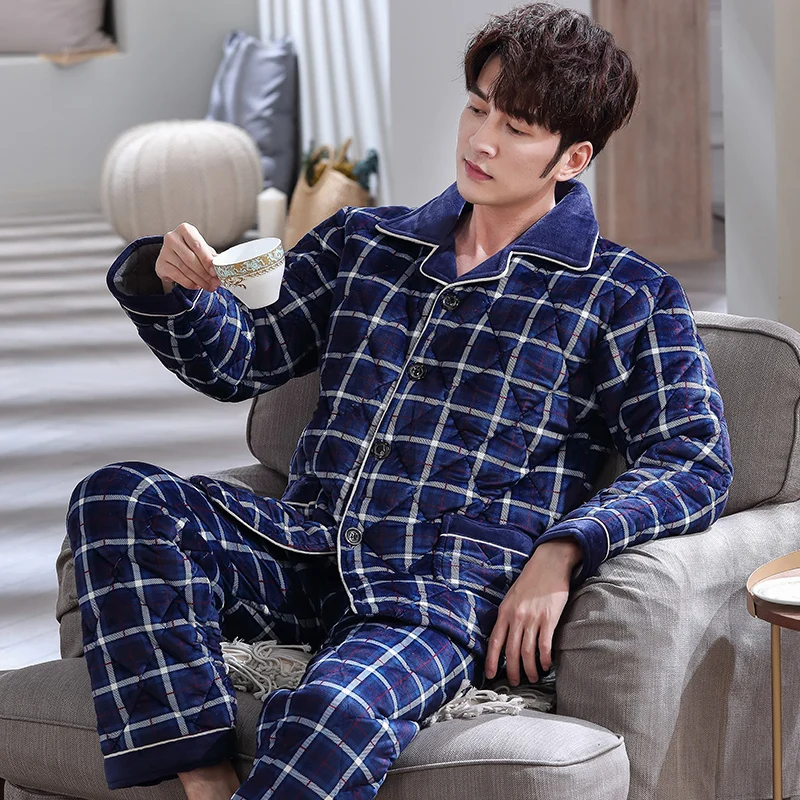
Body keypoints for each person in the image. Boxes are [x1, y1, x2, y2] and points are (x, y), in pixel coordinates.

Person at [67, 3, 733, 799]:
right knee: (119, 496)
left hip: (433, 592)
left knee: (333, 710)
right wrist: (168, 284)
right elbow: (242, 360)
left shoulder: (623, 294)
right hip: (303, 546)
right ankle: (205, 774)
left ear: (573, 157)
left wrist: (565, 549)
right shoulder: (366, 243)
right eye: (478, 109)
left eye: (516, 128)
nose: (481, 140)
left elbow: (694, 458)